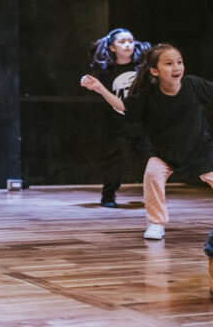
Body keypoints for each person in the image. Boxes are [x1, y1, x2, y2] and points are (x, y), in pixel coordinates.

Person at [80, 43, 213, 241]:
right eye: (168, 63)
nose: (176, 68)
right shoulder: (149, 94)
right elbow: (123, 106)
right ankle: (156, 223)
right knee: (152, 175)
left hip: (199, 150)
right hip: (164, 152)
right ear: (154, 70)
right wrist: (99, 88)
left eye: (179, 62)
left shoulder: (194, 84)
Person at [85, 28, 150, 208]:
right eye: (122, 42)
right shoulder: (106, 71)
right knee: (116, 160)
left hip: (141, 123)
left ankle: (154, 197)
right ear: (112, 47)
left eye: (130, 40)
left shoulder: (142, 69)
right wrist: (87, 81)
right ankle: (108, 196)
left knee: (152, 159)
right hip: (118, 123)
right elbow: (94, 84)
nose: (128, 44)